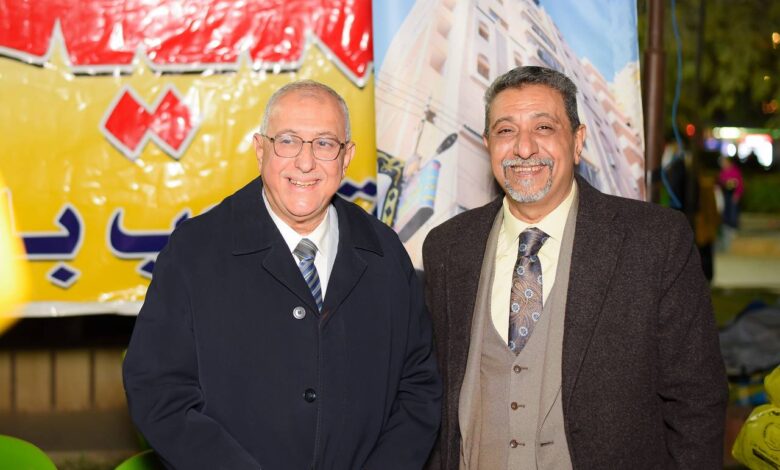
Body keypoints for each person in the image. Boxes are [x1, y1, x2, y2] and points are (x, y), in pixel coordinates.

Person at [123, 80, 441, 469]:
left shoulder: (384, 254)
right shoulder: (195, 251)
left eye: (324, 143)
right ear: (260, 149)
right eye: (288, 141)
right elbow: (158, 391)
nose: (305, 163)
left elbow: (418, 388)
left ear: (347, 156)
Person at [422, 66, 727, 469]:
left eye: (544, 128)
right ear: (487, 144)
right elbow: (432, 393)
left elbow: (697, 398)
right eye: (506, 130)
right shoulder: (447, 247)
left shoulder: (654, 241)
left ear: (578, 141)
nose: (524, 148)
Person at [717, 155, 744, 251]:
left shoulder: (735, 171)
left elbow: (740, 184)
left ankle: (733, 229)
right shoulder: (722, 172)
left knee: (733, 212)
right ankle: (727, 230)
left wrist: (737, 194)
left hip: (733, 195)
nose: (722, 164)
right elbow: (720, 183)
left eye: (724, 162)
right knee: (726, 213)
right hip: (725, 195)